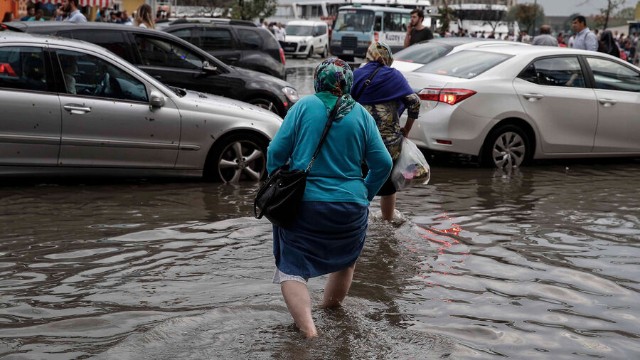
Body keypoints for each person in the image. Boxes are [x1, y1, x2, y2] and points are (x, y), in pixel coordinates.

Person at [267, 57, 392, 338]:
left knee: (292, 268)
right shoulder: (361, 115)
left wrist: (279, 186)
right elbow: (383, 164)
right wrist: (365, 194)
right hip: (351, 207)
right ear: (348, 83)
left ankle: (309, 330)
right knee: (345, 259)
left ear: (317, 80)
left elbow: (275, 153)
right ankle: (330, 313)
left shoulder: (303, 107)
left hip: (303, 204)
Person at [352, 41, 420, 222]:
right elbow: (414, 102)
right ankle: (387, 222)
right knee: (387, 185)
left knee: (357, 180)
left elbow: (344, 103)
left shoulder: (356, 75)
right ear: (389, 57)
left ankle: (357, 220)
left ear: (368, 55)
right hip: (389, 144)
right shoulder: (394, 76)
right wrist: (407, 128)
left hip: (360, 142)